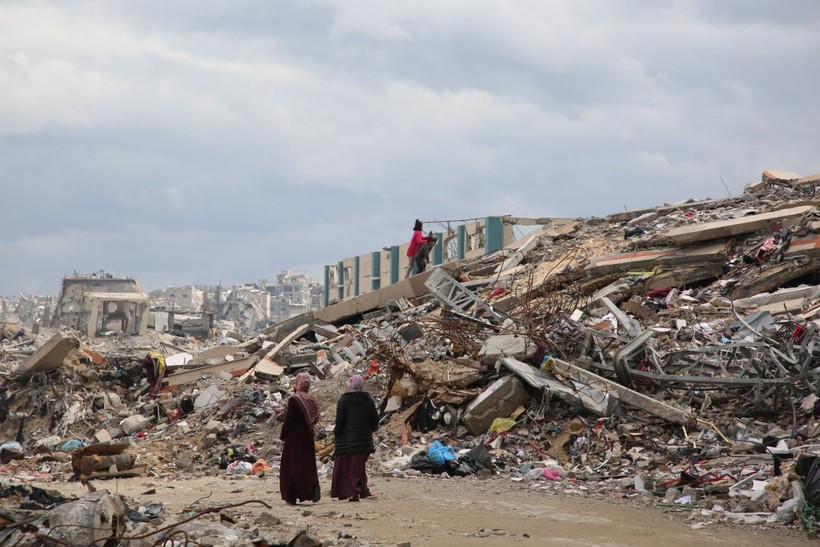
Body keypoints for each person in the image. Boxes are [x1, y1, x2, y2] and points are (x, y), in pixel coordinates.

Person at [331, 374, 379, 502]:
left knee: (350, 469)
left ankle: (353, 492)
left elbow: (340, 421)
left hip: (347, 442)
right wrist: (369, 431)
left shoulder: (344, 400)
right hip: (364, 441)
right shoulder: (368, 400)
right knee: (358, 467)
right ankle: (362, 489)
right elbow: (375, 421)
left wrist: (336, 434)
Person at [279, 372, 321, 505]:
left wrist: (283, 434)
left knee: (292, 466)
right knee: (307, 465)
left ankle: (291, 495)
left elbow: (289, 420)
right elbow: (316, 419)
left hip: (294, 439)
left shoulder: (294, 400)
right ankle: (311, 488)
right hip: (308, 437)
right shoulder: (312, 400)